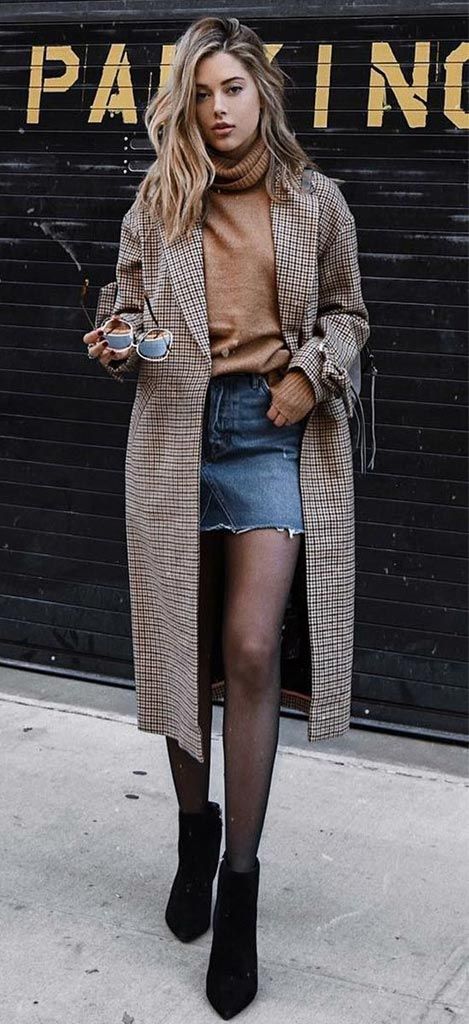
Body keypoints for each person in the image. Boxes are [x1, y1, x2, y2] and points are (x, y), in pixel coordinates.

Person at [82, 15, 370, 1019]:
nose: (217, 109)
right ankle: (192, 834)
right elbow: (127, 311)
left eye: (231, 90)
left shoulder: (313, 201)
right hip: (172, 433)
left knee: (250, 648)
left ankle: (238, 884)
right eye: (200, 94)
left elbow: (348, 315)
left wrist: (309, 373)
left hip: (268, 436)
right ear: (185, 104)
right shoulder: (159, 199)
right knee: (182, 649)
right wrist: (118, 340)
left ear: (261, 94)